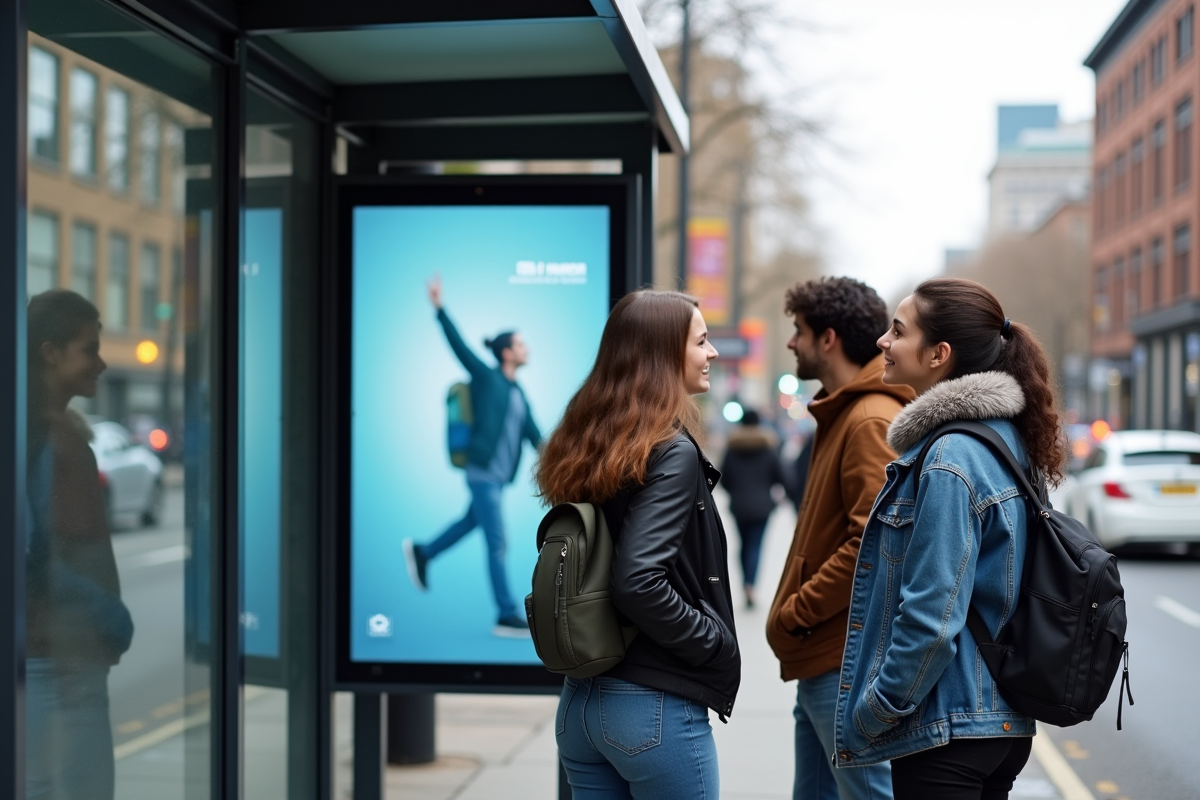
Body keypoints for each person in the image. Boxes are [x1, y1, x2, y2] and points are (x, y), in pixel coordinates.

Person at [834, 278, 1062, 799]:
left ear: (939, 354)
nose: (883, 342)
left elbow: (932, 616)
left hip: (948, 728)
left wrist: (878, 709)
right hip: (997, 721)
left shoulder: (950, 457)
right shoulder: (1005, 439)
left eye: (898, 331)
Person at [535, 290, 740, 799]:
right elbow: (637, 581)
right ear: (664, 353)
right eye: (701, 341)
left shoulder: (588, 440)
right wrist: (711, 640)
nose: (712, 352)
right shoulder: (670, 450)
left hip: (581, 704)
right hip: (652, 710)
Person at [765, 277, 912, 800]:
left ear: (827, 339)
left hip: (843, 661)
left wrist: (798, 611)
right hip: (828, 658)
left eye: (799, 331)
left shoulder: (868, 419)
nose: (791, 342)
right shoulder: (846, 410)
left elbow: (873, 545)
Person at [25, 289, 134, 800]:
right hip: (66, 662)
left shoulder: (32, 432)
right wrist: (113, 618)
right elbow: (43, 556)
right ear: (50, 352)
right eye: (88, 350)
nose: (101, 363)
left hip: (42, 659)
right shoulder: (57, 442)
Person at [402, 275, 542, 637]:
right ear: (506, 352)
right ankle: (506, 613)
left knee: (470, 523)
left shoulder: (518, 393)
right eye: (521, 344)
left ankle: (424, 552)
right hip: (482, 473)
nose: (526, 349)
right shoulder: (487, 379)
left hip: (498, 478)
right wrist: (440, 309)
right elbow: (460, 347)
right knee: (498, 540)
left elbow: (536, 437)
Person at [719, 408, 785, 608]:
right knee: (755, 545)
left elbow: (723, 478)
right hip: (762, 506)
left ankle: (745, 584)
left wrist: (736, 491)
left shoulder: (732, 448)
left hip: (739, 506)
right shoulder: (767, 448)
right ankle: (750, 585)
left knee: (743, 544)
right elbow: (781, 476)